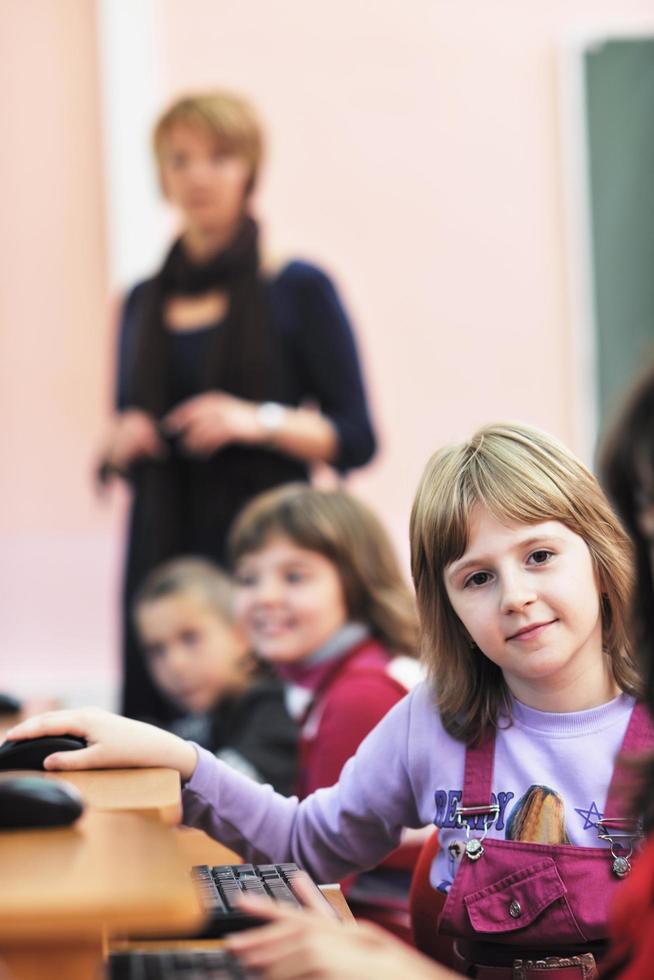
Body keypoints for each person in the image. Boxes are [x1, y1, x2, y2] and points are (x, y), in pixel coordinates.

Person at [7, 423, 650, 980]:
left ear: (602, 555)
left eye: (539, 556)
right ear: (448, 606)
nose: (514, 596)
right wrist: (181, 761)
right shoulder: (433, 721)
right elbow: (305, 841)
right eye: (477, 577)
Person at [98, 91, 377, 722]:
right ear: (161, 175)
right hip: (161, 550)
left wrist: (257, 419)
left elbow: (355, 436)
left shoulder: (299, 288)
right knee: (155, 731)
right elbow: (118, 424)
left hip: (260, 547)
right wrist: (121, 438)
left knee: (263, 743)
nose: (198, 175)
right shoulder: (140, 301)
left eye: (219, 158)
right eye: (180, 160)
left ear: (249, 169)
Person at [133, 556, 297, 794]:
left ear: (242, 635)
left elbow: (229, 794)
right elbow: (163, 737)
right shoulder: (213, 715)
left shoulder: (275, 708)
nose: (174, 664)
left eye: (190, 638)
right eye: (157, 650)